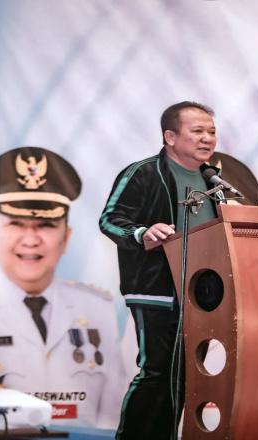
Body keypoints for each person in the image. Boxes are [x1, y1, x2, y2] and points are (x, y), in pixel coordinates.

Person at [0, 146, 126, 428]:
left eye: (46, 225)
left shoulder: (97, 307)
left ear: (66, 237)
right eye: (16, 224)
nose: (31, 240)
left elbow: (112, 416)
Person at [99, 101, 222, 440]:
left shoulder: (213, 180)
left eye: (211, 131)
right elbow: (110, 220)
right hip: (156, 290)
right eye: (198, 131)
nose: (207, 138)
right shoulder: (144, 173)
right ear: (170, 136)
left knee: (187, 376)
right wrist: (142, 234)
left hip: (203, 295)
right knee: (159, 373)